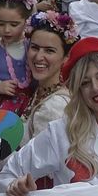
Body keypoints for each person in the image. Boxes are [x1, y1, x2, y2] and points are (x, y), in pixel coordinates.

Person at [0, 37, 98, 192]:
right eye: (85, 83)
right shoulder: (60, 133)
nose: (95, 87)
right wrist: (17, 187)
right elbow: (8, 174)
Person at [19, 12, 76, 143]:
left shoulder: (55, 107)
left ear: (66, 57)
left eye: (49, 51)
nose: (39, 57)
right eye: (34, 48)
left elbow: (37, 161)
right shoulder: (40, 90)